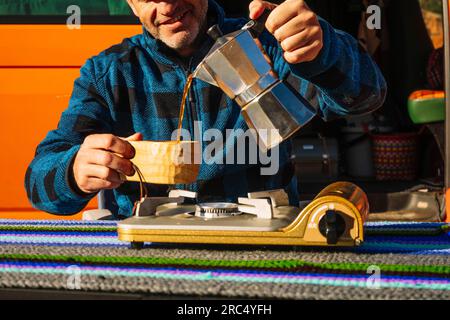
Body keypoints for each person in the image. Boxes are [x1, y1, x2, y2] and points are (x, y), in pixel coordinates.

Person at [25, 0, 387, 217]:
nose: (168, 7)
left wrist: (323, 49)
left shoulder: (263, 45)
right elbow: (39, 183)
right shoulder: (111, 73)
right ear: (130, 3)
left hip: (264, 246)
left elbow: (367, 97)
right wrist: (73, 169)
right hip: (151, 257)